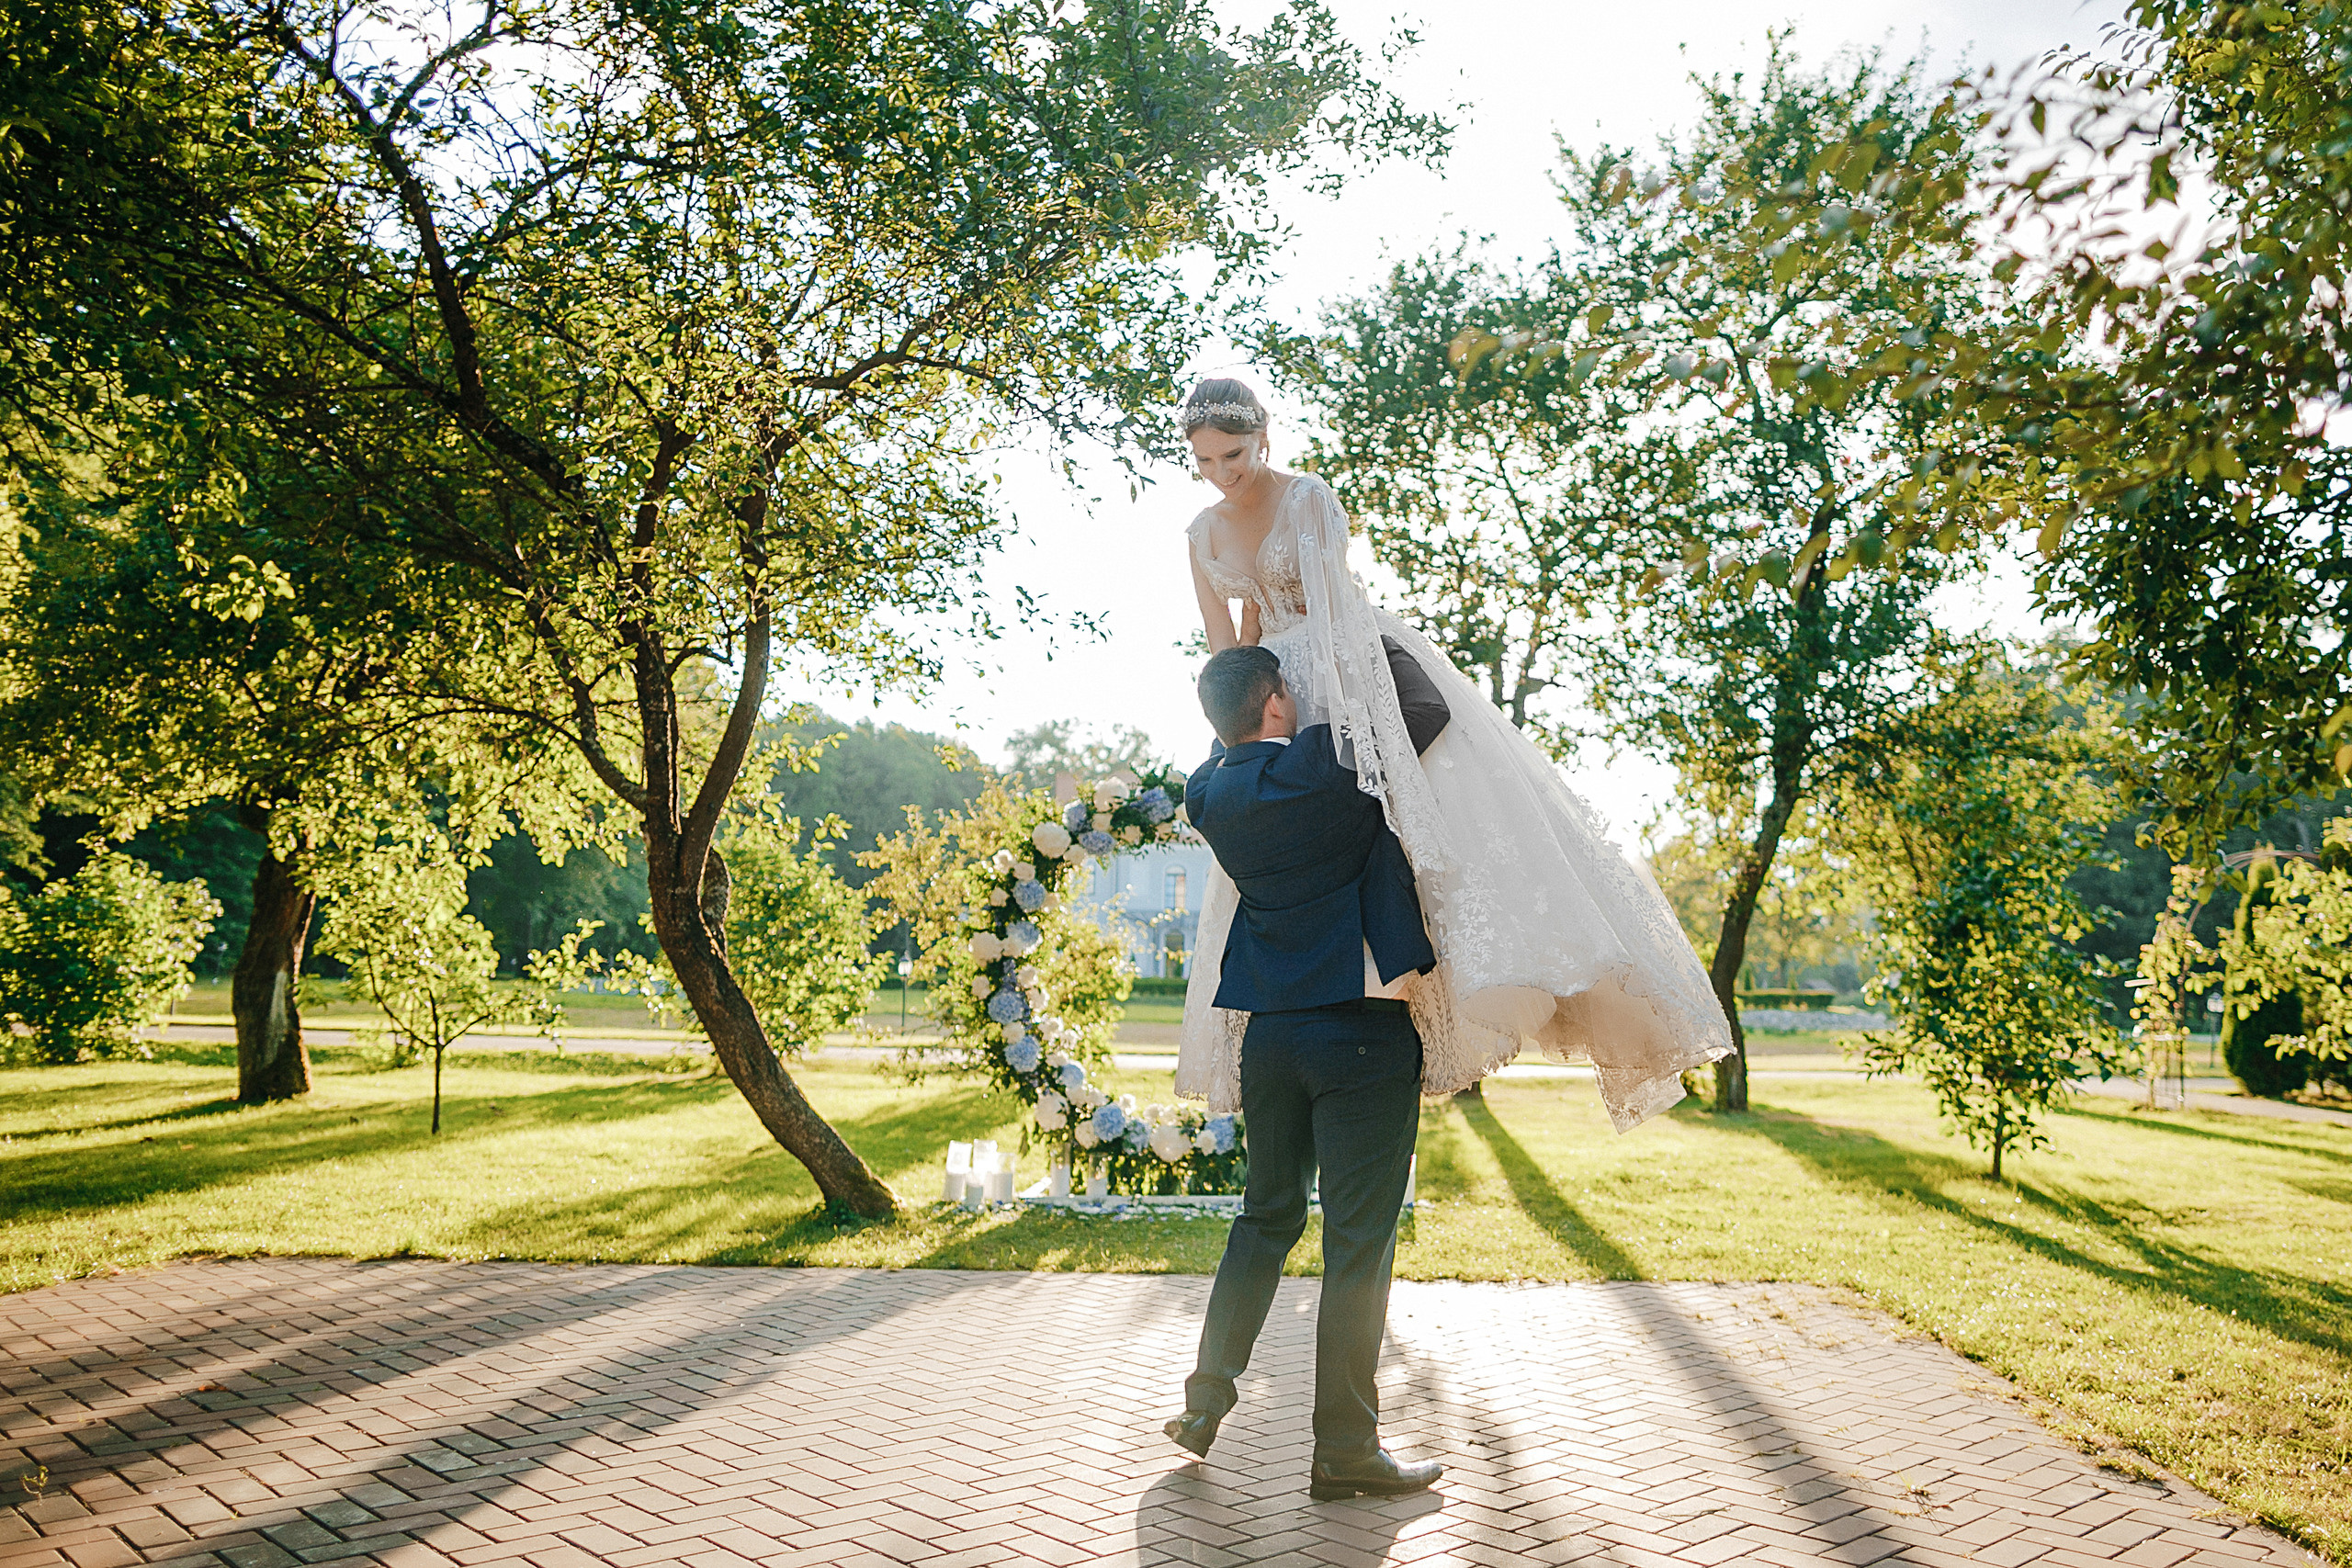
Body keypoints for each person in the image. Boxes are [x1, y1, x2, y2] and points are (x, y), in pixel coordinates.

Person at [1174, 376, 1732, 1132]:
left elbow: (1340, 614)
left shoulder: (1309, 498)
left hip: (1344, 670)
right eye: (1204, 461)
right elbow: (1227, 644)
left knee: (1409, 831)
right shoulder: (1201, 534)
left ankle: (1421, 988)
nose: (1221, 473)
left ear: (1263, 435)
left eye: (1232, 454)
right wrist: (1238, 737)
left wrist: (1362, 732)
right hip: (1267, 687)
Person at [1166, 638, 1451, 1499]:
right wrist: (1358, 622)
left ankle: (1206, 1400)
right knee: (1357, 1242)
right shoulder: (1330, 766)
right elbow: (1426, 712)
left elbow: (1230, 743)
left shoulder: (1207, 795)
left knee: (1266, 1217)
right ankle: (1345, 1448)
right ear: (1280, 703)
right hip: (1361, 1034)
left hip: (1272, 1039)